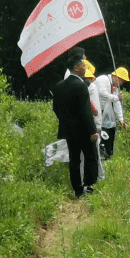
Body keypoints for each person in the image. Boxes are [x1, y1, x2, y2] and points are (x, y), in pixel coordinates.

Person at [52, 48, 99, 198]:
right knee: (91, 157)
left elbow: (56, 108)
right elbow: (86, 112)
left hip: (69, 131)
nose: (85, 68)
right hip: (84, 131)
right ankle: (89, 186)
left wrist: (65, 121)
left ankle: (78, 190)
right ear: (76, 67)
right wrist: (93, 131)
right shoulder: (81, 86)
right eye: (83, 66)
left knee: (74, 160)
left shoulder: (59, 86)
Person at [95, 67, 129, 158]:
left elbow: (117, 103)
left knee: (110, 132)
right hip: (95, 111)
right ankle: (99, 155)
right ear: (116, 77)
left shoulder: (115, 87)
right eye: (121, 81)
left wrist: (121, 119)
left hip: (105, 113)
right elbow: (102, 93)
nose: (121, 83)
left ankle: (108, 155)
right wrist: (116, 97)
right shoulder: (103, 79)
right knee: (99, 134)